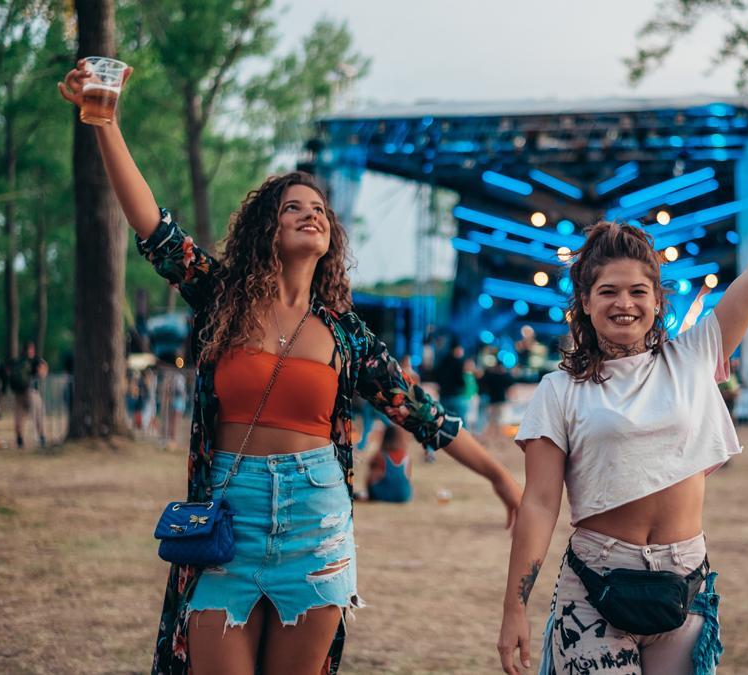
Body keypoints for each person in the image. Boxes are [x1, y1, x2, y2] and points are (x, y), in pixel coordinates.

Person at [59, 61, 521, 675]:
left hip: (316, 517)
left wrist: (499, 477)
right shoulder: (222, 298)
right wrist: (106, 125)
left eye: (320, 210)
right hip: (229, 514)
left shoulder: (346, 336)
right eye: (293, 207)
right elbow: (156, 231)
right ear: (265, 228)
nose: (311, 214)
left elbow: (424, 415)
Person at [498, 187, 748, 675]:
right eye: (608, 292)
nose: (624, 303)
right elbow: (538, 503)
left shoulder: (694, 356)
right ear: (585, 302)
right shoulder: (559, 390)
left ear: (658, 300)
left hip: (684, 583)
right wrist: (515, 606)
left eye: (638, 291)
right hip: (595, 584)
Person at [7, 340, 47, 449]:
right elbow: (42, 373)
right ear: (30, 349)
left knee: (19, 417)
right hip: (31, 392)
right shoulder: (35, 361)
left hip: (18, 394)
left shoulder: (17, 361)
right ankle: (41, 437)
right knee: (38, 415)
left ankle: (19, 440)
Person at [366, 424, 413, 503]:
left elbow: (371, 478)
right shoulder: (406, 456)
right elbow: (407, 477)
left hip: (382, 495)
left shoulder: (380, 456)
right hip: (403, 495)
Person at [480, 360, 516, 442]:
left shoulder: (491, 375)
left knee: (491, 421)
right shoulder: (505, 376)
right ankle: (499, 438)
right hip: (501, 401)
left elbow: (483, 380)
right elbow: (511, 386)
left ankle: (490, 438)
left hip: (492, 401)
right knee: (500, 421)